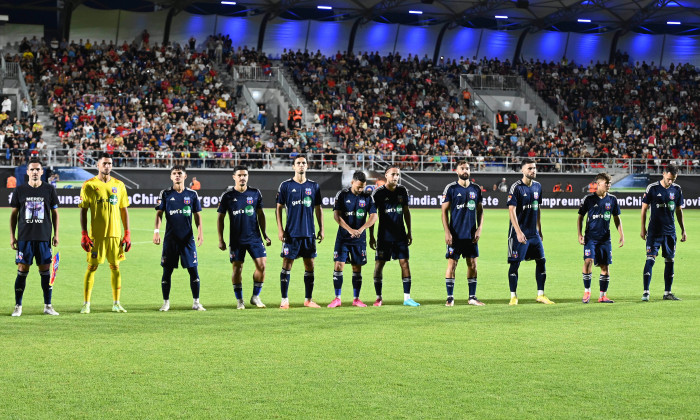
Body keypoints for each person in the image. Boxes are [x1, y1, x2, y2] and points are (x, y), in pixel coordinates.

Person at [78, 153, 131, 314]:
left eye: (109, 163)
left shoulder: (119, 185)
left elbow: (124, 210)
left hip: (115, 234)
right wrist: (84, 233)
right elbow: (83, 210)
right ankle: (86, 304)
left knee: (115, 267)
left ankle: (116, 303)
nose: (107, 166)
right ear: (98, 166)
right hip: (97, 235)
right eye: (104, 163)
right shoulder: (88, 185)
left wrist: (127, 232)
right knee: (92, 267)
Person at [9, 158, 60, 316]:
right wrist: (13, 237)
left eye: (38, 169)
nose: (35, 172)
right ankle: (18, 306)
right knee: (22, 269)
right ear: (27, 172)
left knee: (45, 270)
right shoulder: (20, 190)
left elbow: (54, 213)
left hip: (44, 237)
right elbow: (13, 215)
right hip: (25, 237)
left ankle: (48, 305)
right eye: (32, 169)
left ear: (42, 171)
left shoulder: (49, 190)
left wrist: (56, 234)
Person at [218, 166, 272, 309]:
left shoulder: (255, 193)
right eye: (240, 175)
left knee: (262, 266)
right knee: (237, 269)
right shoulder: (227, 196)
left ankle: (255, 296)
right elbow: (220, 218)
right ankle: (239, 300)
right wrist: (220, 239)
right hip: (236, 239)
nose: (242, 178)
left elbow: (261, 214)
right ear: (234, 177)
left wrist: (264, 234)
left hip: (255, 237)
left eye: (245, 175)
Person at [153, 165, 205, 312]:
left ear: (185, 176)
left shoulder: (193, 195)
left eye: (179, 173)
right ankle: (166, 302)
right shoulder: (165, 193)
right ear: (171, 176)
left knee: (193, 270)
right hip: (171, 240)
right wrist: (156, 231)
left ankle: (196, 302)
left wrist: (200, 232)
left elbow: (197, 215)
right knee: (167, 271)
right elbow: (159, 213)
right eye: (174, 173)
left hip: (188, 239)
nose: (177, 176)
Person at [275, 156, 324, 309]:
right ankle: (284, 300)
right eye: (298, 163)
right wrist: (280, 229)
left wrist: (321, 228)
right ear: (293, 167)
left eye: (303, 163)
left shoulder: (314, 186)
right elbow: (278, 208)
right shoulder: (286, 186)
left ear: (307, 166)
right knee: (287, 264)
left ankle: (308, 299)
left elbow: (318, 208)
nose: (301, 165)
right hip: (291, 233)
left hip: (309, 233)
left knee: (310, 266)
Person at [369, 166, 420, 307]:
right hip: (384, 236)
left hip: (400, 236)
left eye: (398, 174)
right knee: (379, 264)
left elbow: (406, 211)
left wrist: (409, 231)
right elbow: (373, 215)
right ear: (386, 175)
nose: (396, 177)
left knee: (405, 263)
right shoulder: (378, 193)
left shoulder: (402, 191)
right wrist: (371, 236)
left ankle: (407, 298)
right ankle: (378, 297)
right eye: (393, 174)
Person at [327, 171, 378, 308]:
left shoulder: (368, 197)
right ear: (352, 183)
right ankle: (337, 298)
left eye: (363, 187)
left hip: (359, 239)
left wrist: (361, 229)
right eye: (358, 187)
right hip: (343, 238)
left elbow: (373, 216)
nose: (360, 189)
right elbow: (337, 216)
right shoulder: (342, 195)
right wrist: (350, 230)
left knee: (357, 268)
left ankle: (356, 299)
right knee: (338, 266)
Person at [507, 158, 553, 305]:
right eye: (529, 168)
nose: (533, 171)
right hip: (518, 234)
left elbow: (537, 208)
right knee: (515, 264)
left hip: (534, 233)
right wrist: (519, 232)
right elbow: (511, 211)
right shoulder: (516, 187)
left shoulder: (538, 187)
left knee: (541, 261)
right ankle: (513, 296)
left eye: (534, 168)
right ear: (522, 170)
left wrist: (539, 228)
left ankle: (540, 294)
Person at [640, 164, 687, 301]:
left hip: (670, 232)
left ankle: (667, 293)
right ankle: (646, 292)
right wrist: (643, 228)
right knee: (650, 259)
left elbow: (679, 211)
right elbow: (644, 209)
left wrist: (683, 229)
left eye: (673, 179)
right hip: (654, 232)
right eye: (669, 178)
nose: (671, 181)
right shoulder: (652, 188)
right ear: (664, 174)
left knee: (670, 260)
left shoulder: (677, 189)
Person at [441, 161, 485, 307]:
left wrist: (479, 229)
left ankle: (472, 297)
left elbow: (480, 211)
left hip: (471, 235)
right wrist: (447, 232)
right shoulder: (451, 188)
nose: (465, 170)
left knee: (472, 264)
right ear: (457, 171)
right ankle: (450, 297)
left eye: (467, 168)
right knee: (452, 264)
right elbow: (444, 212)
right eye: (462, 168)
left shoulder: (476, 189)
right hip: (455, 235)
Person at [577, 173, 624, 304]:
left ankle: (602, 296)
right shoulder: (589, 199)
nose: (608, 185)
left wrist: (621, 233)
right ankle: (587, 291)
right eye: (606, 183)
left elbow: (616, 217)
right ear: (598, 184)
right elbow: (580, 216)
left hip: (605, 238)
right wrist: (580, 234)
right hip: (591, 237)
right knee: (588, 260)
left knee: (605, 266)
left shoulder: (612, 199)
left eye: (609, 183)